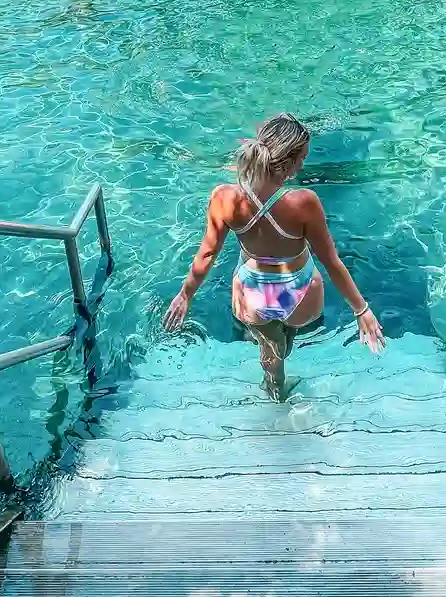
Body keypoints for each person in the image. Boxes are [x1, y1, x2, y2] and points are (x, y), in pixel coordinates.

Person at [163, 113, 385, 397]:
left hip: (252, 294)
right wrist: (361, 309)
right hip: (300, 291)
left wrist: (185, 295)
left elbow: (207, 254)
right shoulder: (304, 202)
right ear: (288, 162)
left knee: (268, 345)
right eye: (302, 158)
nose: (304, 164)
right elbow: (331, 261)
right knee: (289, 333)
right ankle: (282, 342)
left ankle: (274, 382)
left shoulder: (224, 197)